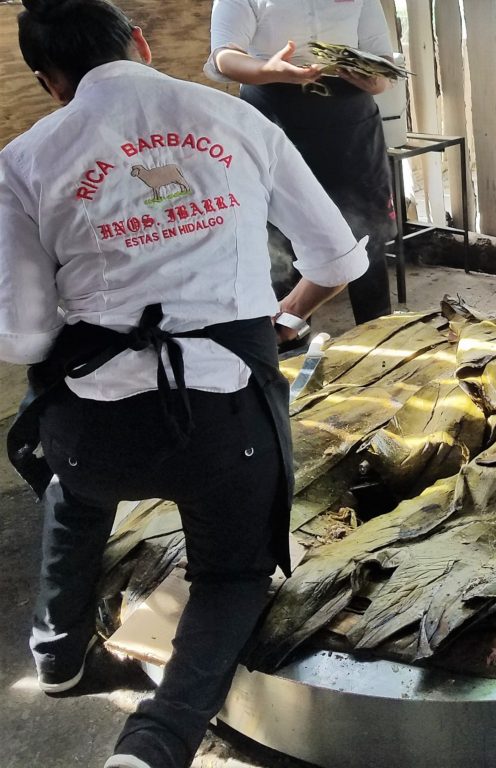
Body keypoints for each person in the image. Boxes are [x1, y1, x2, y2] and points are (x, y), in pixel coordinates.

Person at [1, 1, 369, 766]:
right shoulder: (234, 120)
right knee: (232, 575)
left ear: (48, 81)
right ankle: (153, 747)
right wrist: (281, 315)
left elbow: (25, 336)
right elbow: (340, 261)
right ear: (139, 41)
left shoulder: (26, 158)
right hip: (224, 423)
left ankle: (59, 661)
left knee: (76, 491)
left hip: (96, 430)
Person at [206, 0, 397, 325]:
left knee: (366, 235)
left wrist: (373, 79)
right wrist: (270, 70)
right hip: (274, 117)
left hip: (350, 125)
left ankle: (379, 334)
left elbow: (384, 68)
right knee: (281, 241)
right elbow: (224, 57)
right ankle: (288, 340)